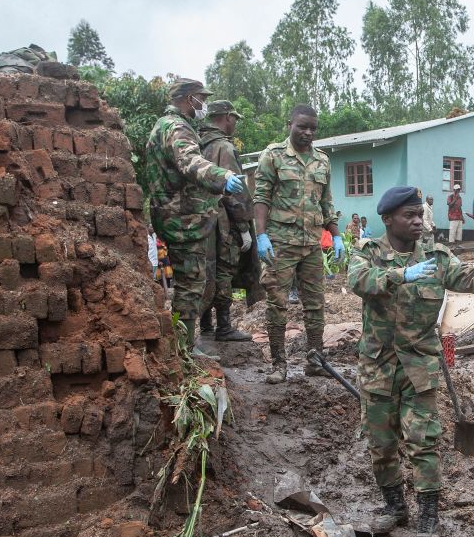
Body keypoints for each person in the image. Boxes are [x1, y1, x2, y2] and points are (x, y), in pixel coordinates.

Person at [348, 186, 474, 537]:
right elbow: (357, 281)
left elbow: (472, 279)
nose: (418, 221)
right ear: (387, 220)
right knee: (381, 442)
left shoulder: (436, 257)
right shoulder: (368, 252)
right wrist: (399, 276)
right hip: (378, 367)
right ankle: (394, 507)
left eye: (420, 214)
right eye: (409, 215)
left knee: (423, 442)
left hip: (419, 366)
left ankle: (428, 518)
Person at [145, 77, 246, 355]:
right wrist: (222, 176)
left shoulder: (164, 125)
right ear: (190, 99)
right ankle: (185, 349)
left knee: (190, 283)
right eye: (202, 97)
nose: (204, 103)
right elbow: (189, 161)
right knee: (191, 284)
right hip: (182, 219)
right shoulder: (177, 127)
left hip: (174, 215)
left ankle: (184, 345)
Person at [253, 104, 344, 384]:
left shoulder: (322, 160)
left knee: (315, 304)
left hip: (311, 244)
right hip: (280, 243)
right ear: (289, 124)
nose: (307, 132)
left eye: (313, 129)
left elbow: (326, 201)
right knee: (277, 303)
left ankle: (315, 361)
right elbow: (261, 198)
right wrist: (261, 235)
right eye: (302, 126)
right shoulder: (273, 155)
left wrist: (336, 234)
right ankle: (279, 365)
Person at [197, 100, 254, 343]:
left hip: (200, 221)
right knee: (224, 271)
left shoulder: (196, 145)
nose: (235, 124)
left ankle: (206, 326)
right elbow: (236, 194)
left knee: (205, 271)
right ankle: (224, 326)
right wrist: (243, 228)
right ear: (227, 117)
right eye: (235, 119)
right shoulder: (224, 148)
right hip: (223, 223)